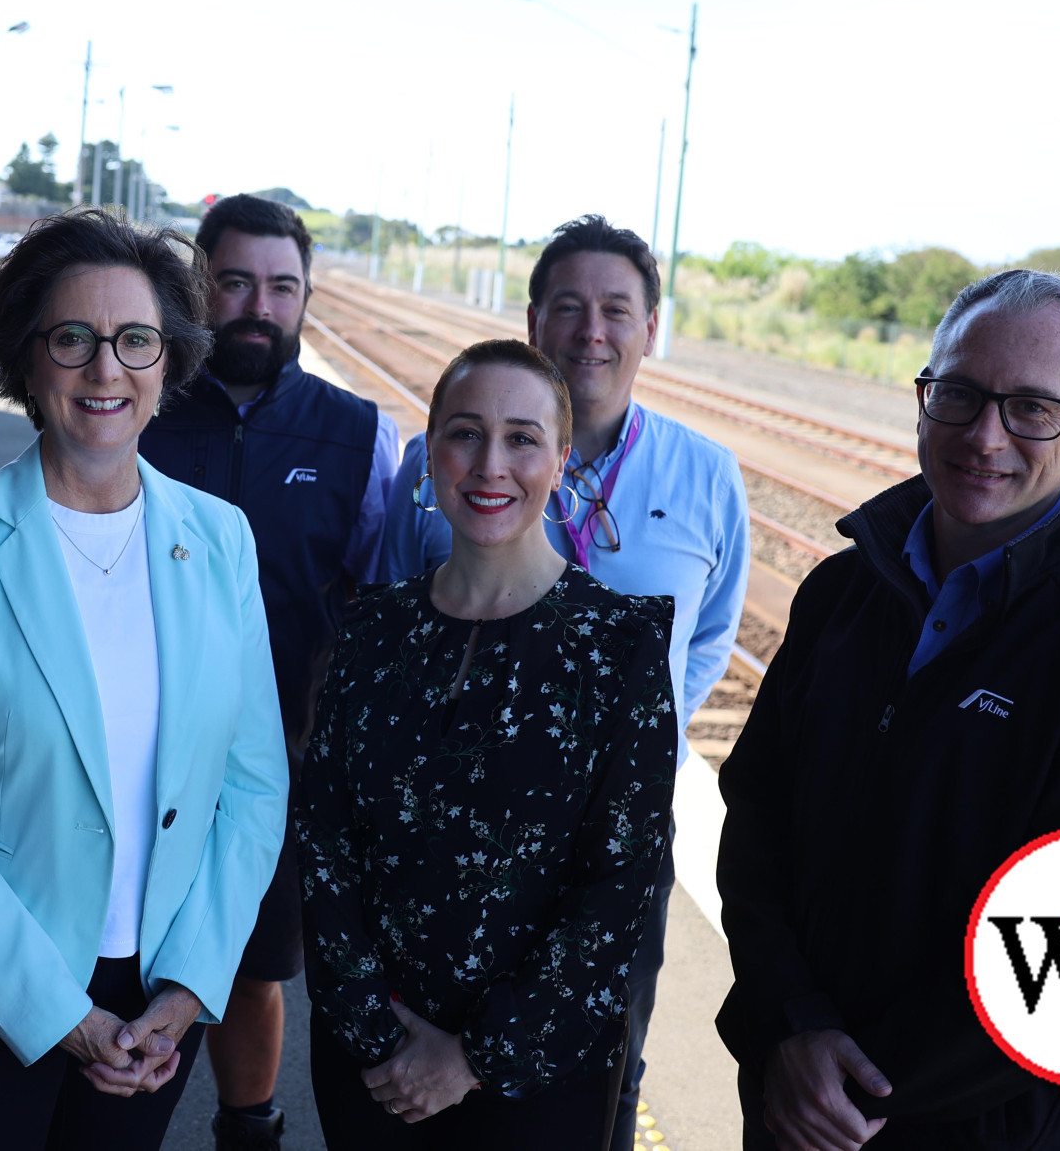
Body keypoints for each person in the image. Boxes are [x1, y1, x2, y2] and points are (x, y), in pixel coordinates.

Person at [717, 269, 1060, 1150]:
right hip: (792, 1109)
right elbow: (757, 814)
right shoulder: (844, 593)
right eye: (957, 394)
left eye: (1032, 407)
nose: (983, 434)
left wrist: (855, 1084)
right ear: (924, 396)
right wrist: (790, 1029)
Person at [0, 209, 290, 1150]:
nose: (107, 369)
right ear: (27, 359)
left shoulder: (220, 539)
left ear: (169, 359)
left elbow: (253, 787)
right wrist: (64, 1013)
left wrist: (190, 987)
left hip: (153, 999)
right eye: (73, 339)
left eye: (136, 340)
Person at [379, 213, 749, 1149]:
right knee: (419, 1064)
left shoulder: (706, 477)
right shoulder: (436, 464)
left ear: (650, 329)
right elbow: (387, 616)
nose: (593, 329)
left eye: (617, 309)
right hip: (441, 832)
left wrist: (616, 755)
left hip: (609, 847)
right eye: (570, 306)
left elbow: (706, 640)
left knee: (599, 1064)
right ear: (535, 318)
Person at [299, 338, 677, 1146]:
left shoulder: (621, 647)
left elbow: (619, 888)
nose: (490, 463)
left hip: (535, 1081)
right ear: (430, 453)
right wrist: (379, 1034)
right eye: (465, 433)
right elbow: (321, 840)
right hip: (372, 1070)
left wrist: (473, 1057)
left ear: (562, 459)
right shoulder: (369, 629)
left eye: (522, 437)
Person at [139, 192, 399, 1151]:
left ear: (306, 297)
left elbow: (375, 608)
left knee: (254, 967)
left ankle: (248, 1131)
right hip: (130, 755)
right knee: (127, 958)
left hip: (276, 769)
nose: (257, 303)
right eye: (235, 280)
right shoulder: (139, 402)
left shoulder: (361, 435)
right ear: (197, 283)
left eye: (282, 286)